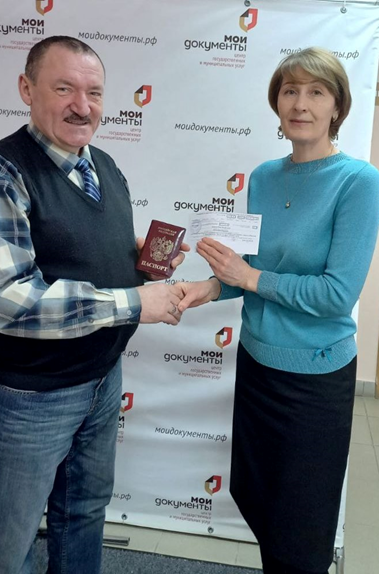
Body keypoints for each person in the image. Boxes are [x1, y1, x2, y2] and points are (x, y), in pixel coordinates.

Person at [0, 36, 187, 574]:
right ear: (27, 89)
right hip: (30, 398)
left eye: (94, 93)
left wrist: (141, 264)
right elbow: (7, 300)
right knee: (6, 544)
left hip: (102, 379)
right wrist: (136, 300)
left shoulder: (102, 164)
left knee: (82, 515)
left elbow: (84, 256)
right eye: (64, 89)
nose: (82, 106)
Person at [177, 47, 379, 574]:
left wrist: (247, 278)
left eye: (316, 92)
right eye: (290, 91)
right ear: (277, 102)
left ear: (338, 107)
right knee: (259, 500)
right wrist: (209, 288)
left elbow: (336, 294)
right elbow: (254, 271)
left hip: (314, 381)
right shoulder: (264, 176)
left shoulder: (359, 182)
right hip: (257, 366)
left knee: (302, 532)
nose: (300, 104)